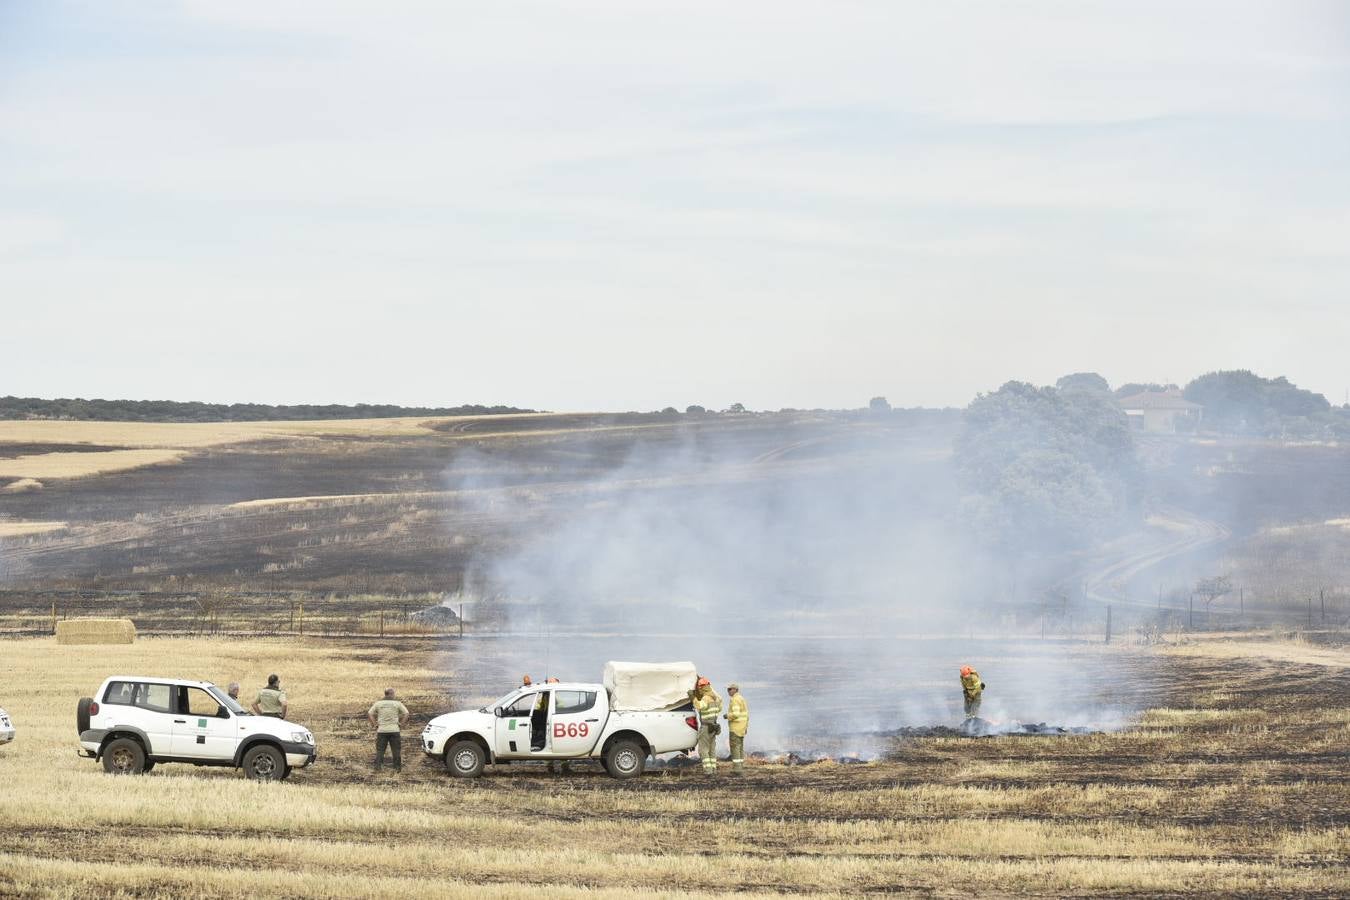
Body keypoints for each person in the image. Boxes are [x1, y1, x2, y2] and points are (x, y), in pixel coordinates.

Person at [368, 687, 410, 772]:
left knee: (380, 750)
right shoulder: (397, 703)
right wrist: (401, 725)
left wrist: (374, 724)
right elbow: (406, 713)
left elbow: (370, 713)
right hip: (394, 730)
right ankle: (397, 768)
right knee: (396, 750)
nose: (394, 695)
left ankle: (378, 767)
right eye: (393, 693)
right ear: (391, 694)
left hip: (382, 731)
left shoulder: (378, 704)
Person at [690, 677, 722, 775]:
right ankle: (713, 769)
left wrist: (693, 698)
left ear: (702, 687)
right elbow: (719, 709)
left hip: (706, 727)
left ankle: (708, 771)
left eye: (699, 687)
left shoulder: (706, 698)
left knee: (703, 749)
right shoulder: (716, 698)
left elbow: (699, 706)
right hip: (714, 727)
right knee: (712, 749)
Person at [723, 683, 749, 774]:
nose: (728, 691)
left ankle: (737, 769)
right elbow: (746, 715)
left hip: (735, 728)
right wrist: (746, 727)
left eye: (729, 689)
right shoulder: (741, 698)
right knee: (740, 747)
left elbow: (736, 714)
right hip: (741, 728)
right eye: (728, 690)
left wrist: (727, 716)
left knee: (735, 748)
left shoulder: (735, 700)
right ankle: (740, 766)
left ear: (734, 689)